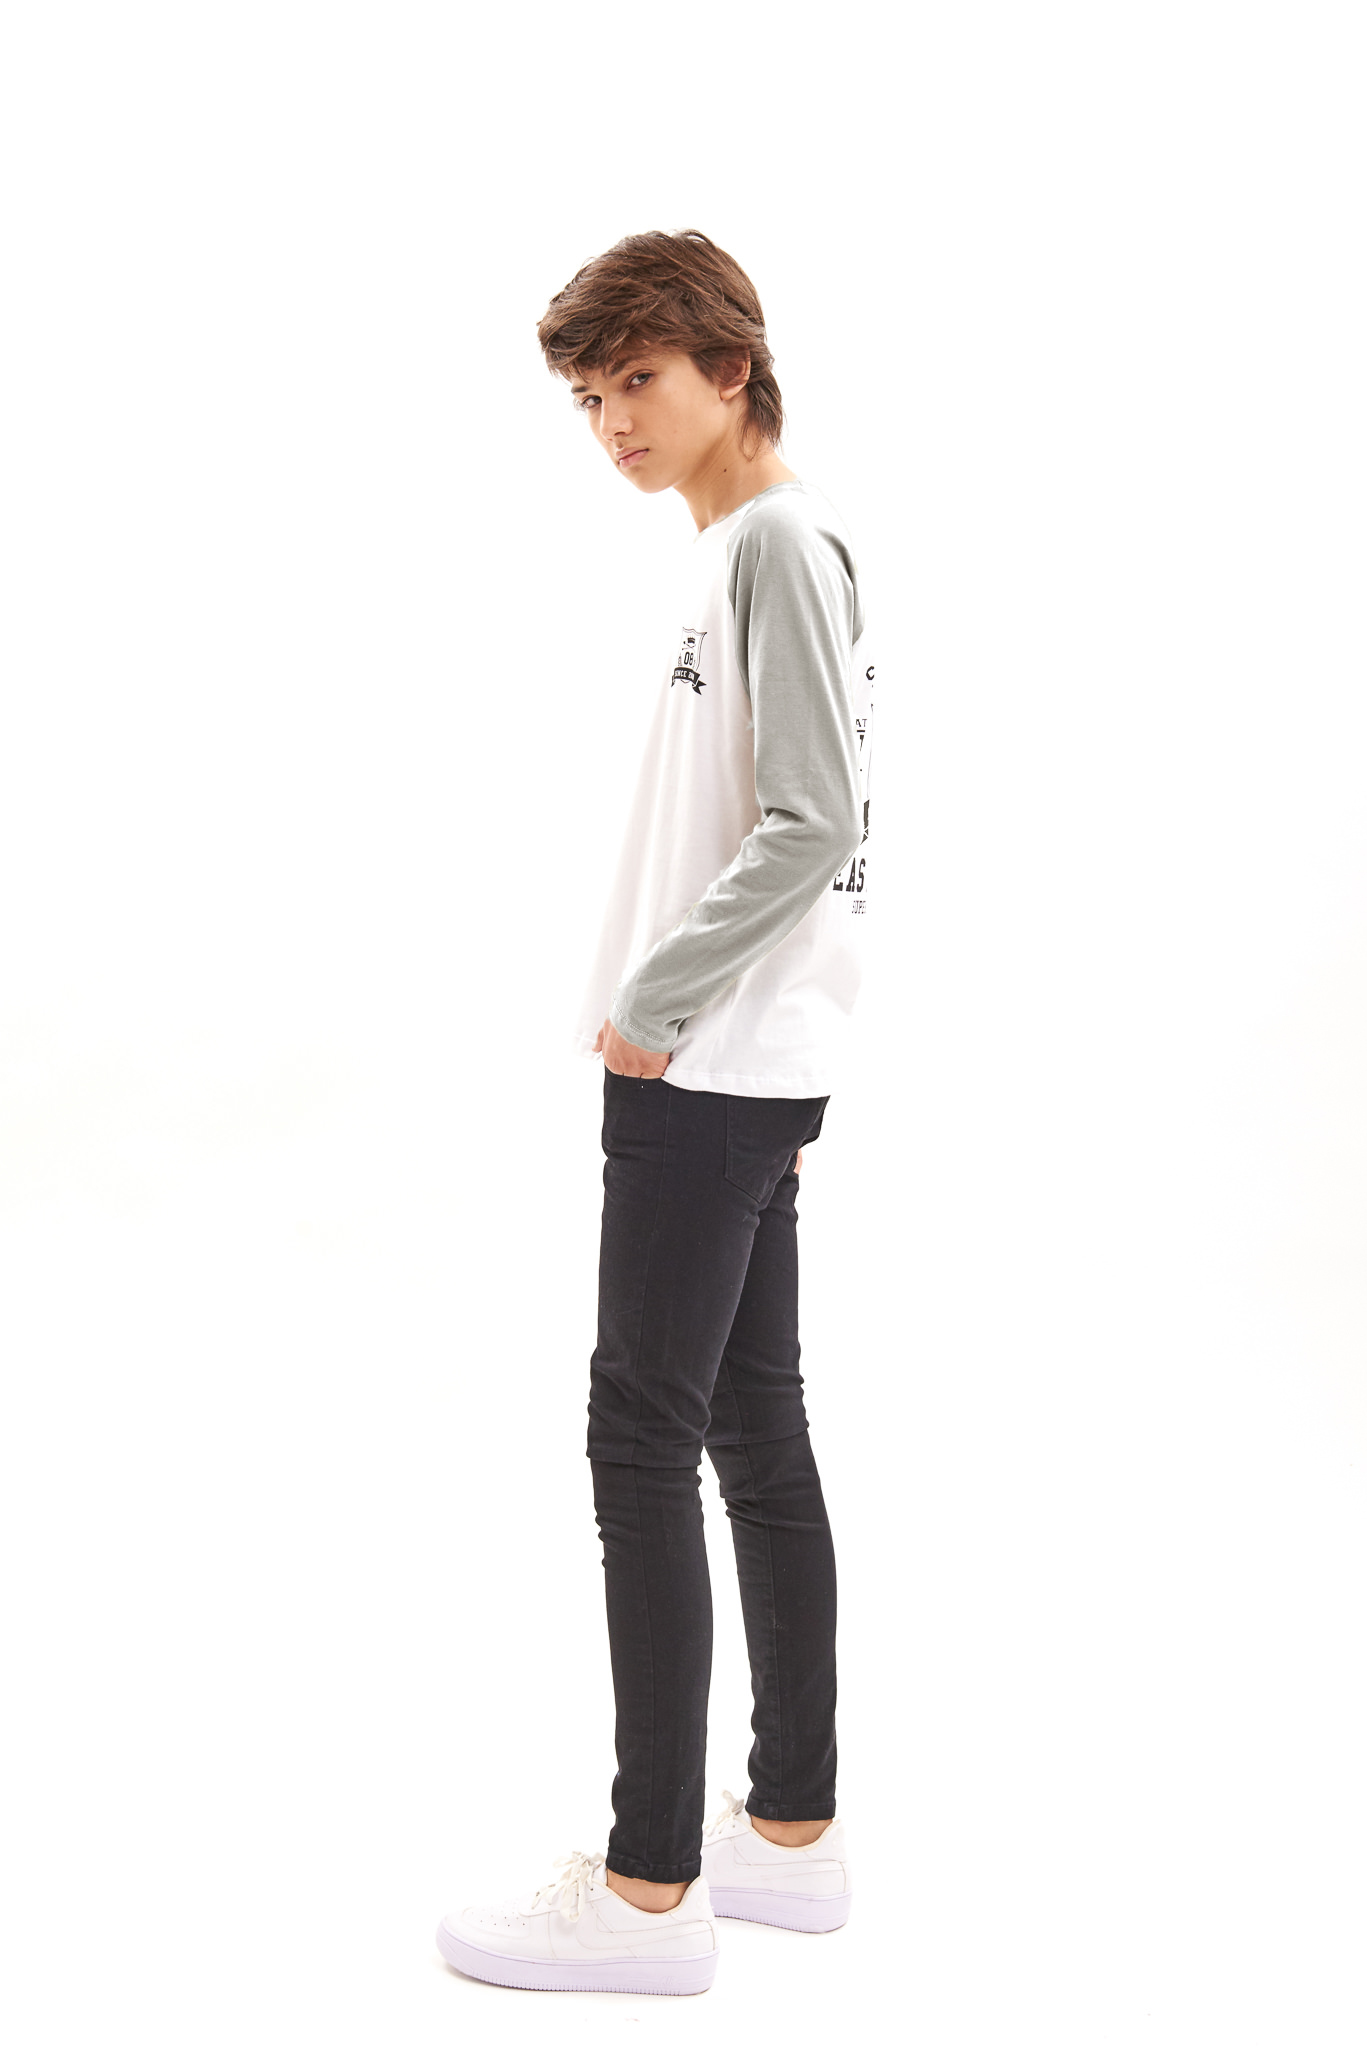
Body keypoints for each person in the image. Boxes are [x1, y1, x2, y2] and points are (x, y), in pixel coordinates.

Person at [436, 229, 875, 1997]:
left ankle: (644, 1894)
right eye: (590, 394)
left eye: (638, 379)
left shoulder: (772, 540)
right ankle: (792, 1838)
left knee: (642, 1446)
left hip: (708, 1066)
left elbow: (813, 820)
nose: (613, 419)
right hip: (751, 1062)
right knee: (752, 1428)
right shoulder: (751, 550)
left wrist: (657, 1001)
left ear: (730, 369)